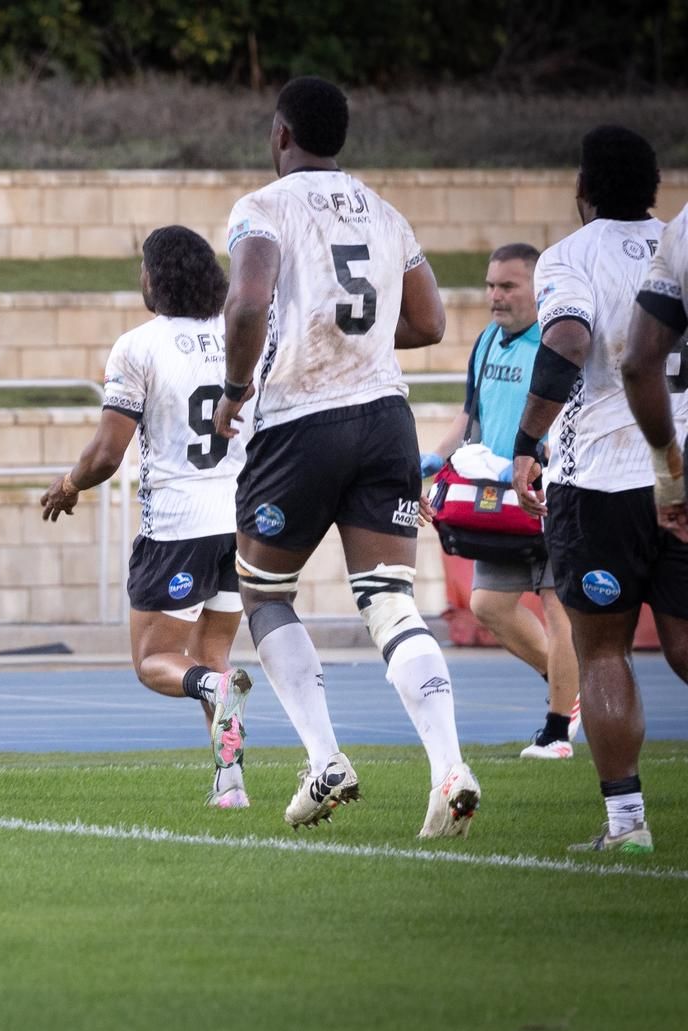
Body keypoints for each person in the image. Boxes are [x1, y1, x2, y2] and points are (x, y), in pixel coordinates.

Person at [212, 76, 479, 838]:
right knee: (390, 600)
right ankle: (449, 767)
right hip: (386, 418)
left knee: (265, 594)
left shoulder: (264, 207)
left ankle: (326, 758)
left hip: (300, 421)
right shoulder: (384, 211)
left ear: (281, 134)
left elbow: (247, 302)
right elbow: (427, 320)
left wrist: (235, 388)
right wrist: (351, 335)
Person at [511, 129, 688, 854]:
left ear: (583, 188)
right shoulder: (677, 241)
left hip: (602, 477)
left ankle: (627, 826)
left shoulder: (570, 257)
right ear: (652, 186)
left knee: (604, 650)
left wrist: (527, 443)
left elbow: (568, 342)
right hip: (677, 469)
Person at [40, 225, 254, 808]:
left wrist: (68, 483)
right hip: (241, 523)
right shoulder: (243, 336)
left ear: (156, 277)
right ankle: (230, 782)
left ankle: (216, 703)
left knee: (156, 662)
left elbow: (108, 454)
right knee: (214, 656)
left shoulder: (139, 345)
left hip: (179, 528)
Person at [418, 243, 582, 758]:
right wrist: (434, 462)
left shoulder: (559, 341)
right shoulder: (488, 340)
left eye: (508, 286)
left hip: (551, 494)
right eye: (491, 285)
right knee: (488, 604)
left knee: (559, 608)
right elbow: (472, 417)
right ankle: (567, 688)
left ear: (538, 288)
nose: (494, 296)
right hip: (499, 498)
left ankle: (557, 729)